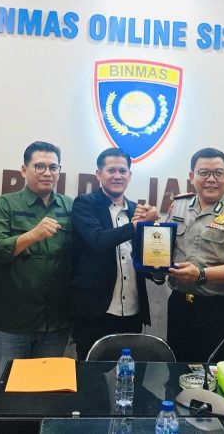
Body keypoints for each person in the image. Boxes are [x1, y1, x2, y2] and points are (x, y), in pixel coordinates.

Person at [0, 141, 74, 402]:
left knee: (46, 397)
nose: (47, 173)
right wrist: (32, 235)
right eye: (39, 166)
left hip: (55, 323)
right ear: (24, 170)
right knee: (3, 397)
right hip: (12, 324)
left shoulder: (69, 206)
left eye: (53, 167)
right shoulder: (5, 204)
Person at [166, 147, 224, 363]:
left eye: (218, 173)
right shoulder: (178, 206)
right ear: (192, 176)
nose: (211, 179)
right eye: (204, 173)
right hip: (180, 305)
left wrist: (201, 274)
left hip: (221, 310)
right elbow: (164, 248)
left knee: (217, 372)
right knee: (178, 369)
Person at [70, 147, 161, 360]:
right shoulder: (85, 204)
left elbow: (143, 257)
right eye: (111, 170)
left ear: (130, 175)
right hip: (95, 313)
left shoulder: (137, 210)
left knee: (130, 374)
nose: (117, 176)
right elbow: (98, 240)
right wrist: (138, 226)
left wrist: (159, 270)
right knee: (92, 376)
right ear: (98, 174)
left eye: (122, 171)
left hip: (132, 312)